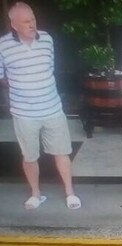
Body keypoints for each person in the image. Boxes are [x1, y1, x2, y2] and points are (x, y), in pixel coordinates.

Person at [0, 2, 81, 210]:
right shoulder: (3, 46)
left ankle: (70, 193)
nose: (32, 24)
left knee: (61, 152)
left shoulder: (46, 39)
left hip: (52, 108)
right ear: (14, 24)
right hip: (24, 113)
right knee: (29, 156)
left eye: (33, 19)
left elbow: (49, 68)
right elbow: (2, 77)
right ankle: (36, 194)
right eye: (26, 21)